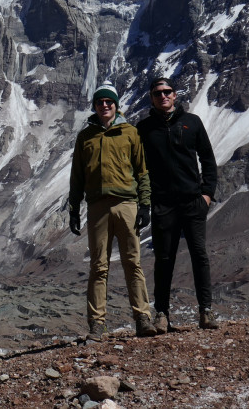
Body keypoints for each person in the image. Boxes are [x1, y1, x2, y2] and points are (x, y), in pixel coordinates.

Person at [68, 80, 157, 340]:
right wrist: (74, 209)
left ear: (116, 106)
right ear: (95, 106)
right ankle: (97, 324)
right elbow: (77, 177)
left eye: (109, 102)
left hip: (126, 205)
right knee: (99, 266)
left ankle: (143, 318)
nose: (104, 105)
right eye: (100, 102)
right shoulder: (86, 136)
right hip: (97, 208)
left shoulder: (130, 132)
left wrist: (144, 205)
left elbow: (142, 172)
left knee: (133, 262)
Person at [136, 76, 219, 332]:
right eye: (158, 93)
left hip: (192, 201)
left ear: (175, 94)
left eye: (167, 91)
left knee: (199, 255)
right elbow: (139, 168)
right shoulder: (145, 128)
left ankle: (205, 311)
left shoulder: (192, 123)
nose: (163, 96)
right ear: (152, 97)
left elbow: (207, 158)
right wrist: (145, 204)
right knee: (164, 259)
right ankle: (162, 314)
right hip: (163, 204)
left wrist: (206, 195)